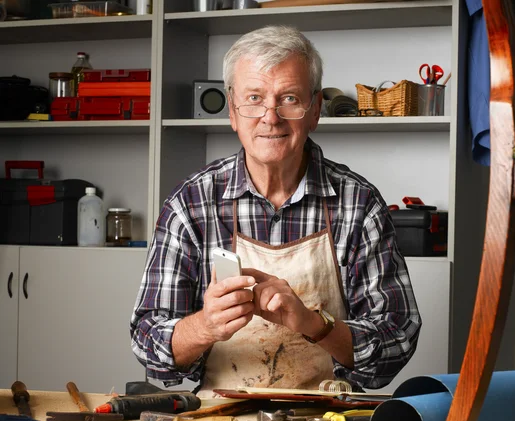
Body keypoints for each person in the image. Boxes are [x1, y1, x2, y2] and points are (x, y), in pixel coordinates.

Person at [130, 25, 421, 392]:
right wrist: (205, 326)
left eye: (289, 99)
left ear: (314, 111)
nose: (270, 117)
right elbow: (147, 341)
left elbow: (398, 339)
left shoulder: (358, 204)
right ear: (232, 111)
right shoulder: (190, 204)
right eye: (254, 98)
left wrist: (315, 324)